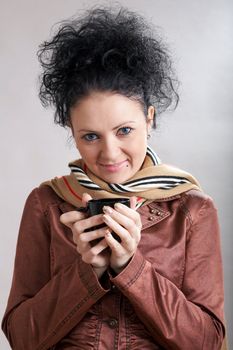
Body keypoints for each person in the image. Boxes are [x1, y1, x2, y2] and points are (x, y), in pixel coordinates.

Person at [2, 5, 225, 350]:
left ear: (149, 119)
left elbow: (208, 342)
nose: (109, 154)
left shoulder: (193, 211)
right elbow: (21, 339)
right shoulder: (46, 204)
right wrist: (86, 272)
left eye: (124, 130)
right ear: (72, 132)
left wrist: (129, 265)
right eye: (90, 136)